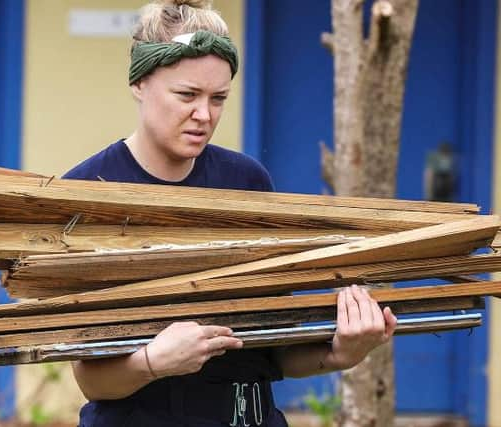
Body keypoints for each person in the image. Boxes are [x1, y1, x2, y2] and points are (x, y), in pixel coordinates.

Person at [62, 1, 398, 426]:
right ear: (140, 82)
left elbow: (273, 351)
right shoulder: (88, 192)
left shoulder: (246, 183)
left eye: (218, 98)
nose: (204, 115)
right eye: (187, 95)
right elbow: (91, 380)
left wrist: (340, 353)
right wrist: (152, 362)